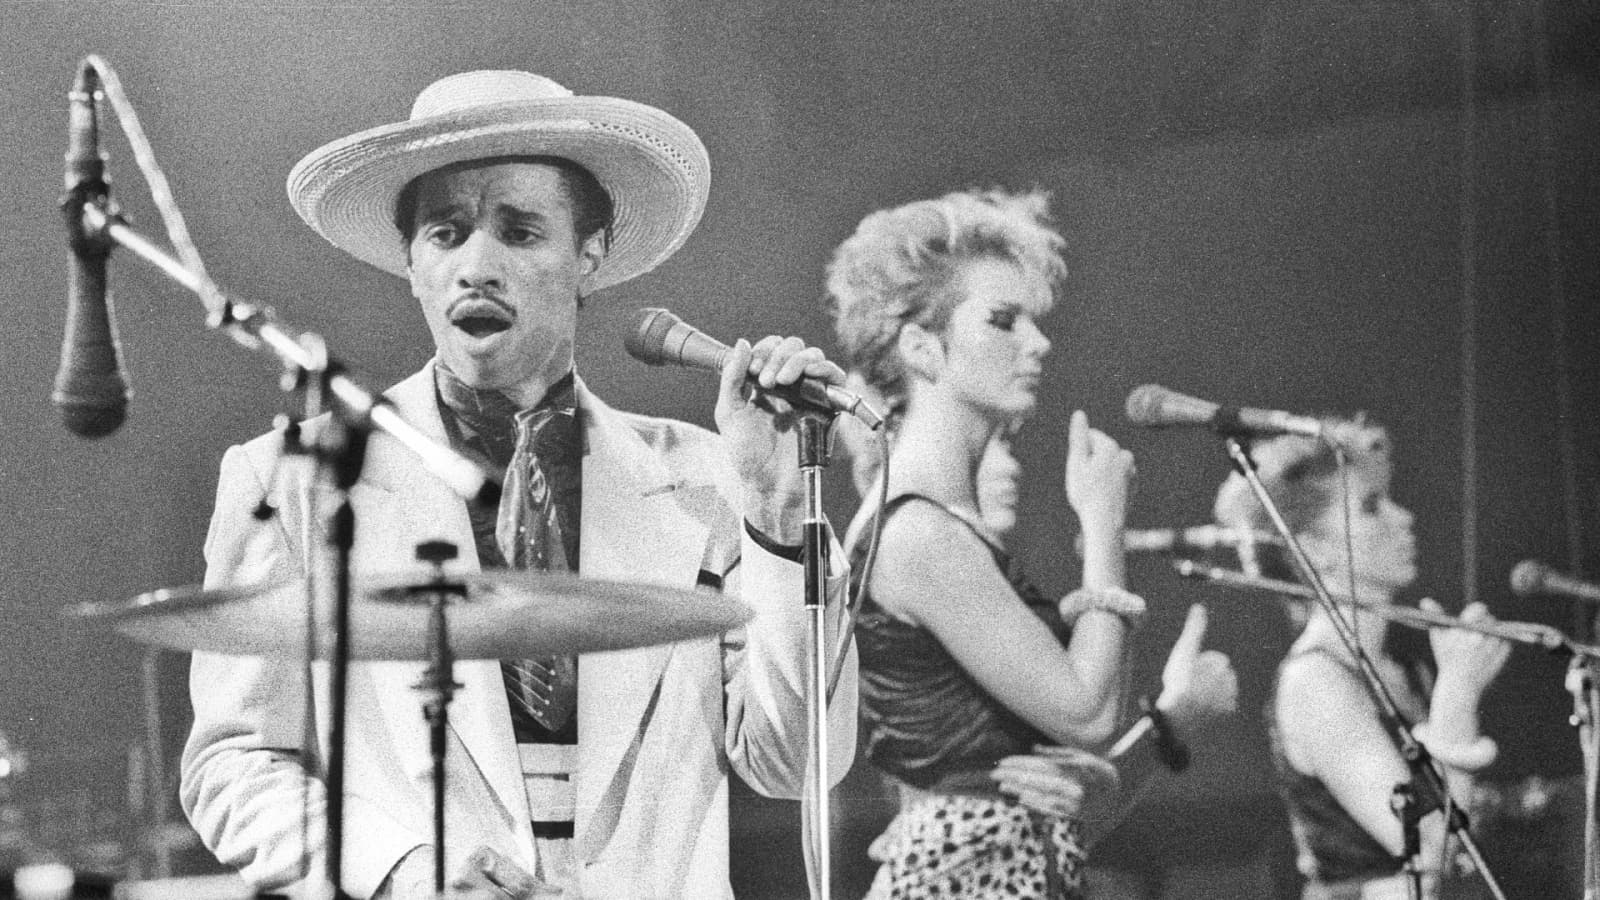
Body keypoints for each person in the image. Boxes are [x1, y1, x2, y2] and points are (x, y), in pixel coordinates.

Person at [179, 70, 858, 900]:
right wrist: (402, 868)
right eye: (446, 233)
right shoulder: (292, 482)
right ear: (412, 263)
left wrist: (780, 508)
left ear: (590, 256)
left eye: (521, 232)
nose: (477, 267)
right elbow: (232, 764)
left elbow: (793, 764)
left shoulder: (706, 478)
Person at [826, 188, 1233, 899]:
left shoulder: (946, 524)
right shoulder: (918, 531)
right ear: (922, 347)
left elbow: (1052, 743)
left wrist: (1085, 777)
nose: (1038, 343)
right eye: (1004, 321)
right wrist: (1104, 528)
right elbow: (1086, 710)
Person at [1213, 419, 1511, 900]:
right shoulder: (1315, 679)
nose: (1403, 517)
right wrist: (1458, 693)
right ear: (1314, 549)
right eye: (1372, 507)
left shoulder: (1401, 666)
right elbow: (1435, 850)